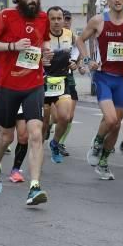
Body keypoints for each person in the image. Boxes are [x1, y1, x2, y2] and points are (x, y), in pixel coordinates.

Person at [0, 0, 52, 206]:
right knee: (5, 136)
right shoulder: (5, 16)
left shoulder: (43, 18)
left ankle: (34, 187)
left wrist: (47, 52)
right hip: (8, 86)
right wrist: (11, 46)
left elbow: (44, 42)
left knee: (35, 133)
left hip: (34, 83)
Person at [76, 0, 123, 180]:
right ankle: (97, 142)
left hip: (122, 79)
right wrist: (88, 60)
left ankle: (104, 162)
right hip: (103, 76)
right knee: (112, 119)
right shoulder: (98, 21)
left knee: (115, 125)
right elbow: (80, 40)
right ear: (108, 1)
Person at [42, 6, 77, 165]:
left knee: (65, 117)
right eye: (53, 19)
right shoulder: (41, 36)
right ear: (47, 20)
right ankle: (37, 152)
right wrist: (40, 61)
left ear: (63, 20)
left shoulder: (69, 35)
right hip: (43, 82)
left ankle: (55, 143)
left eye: (59, 18)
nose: (56, 22)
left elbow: (78, 46)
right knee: (42, 123)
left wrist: (76, 62)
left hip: (62, 80)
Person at [58, 9, 78, 156]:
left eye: (68, 19)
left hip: (69, 78)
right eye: (62, 18)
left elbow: (80, 52)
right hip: (52, 79)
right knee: (54, 117)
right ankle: (49, 130)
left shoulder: (73, 37)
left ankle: (61, 143)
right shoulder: (51, 36)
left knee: (69, 116)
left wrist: (78, 64)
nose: (65, 21)